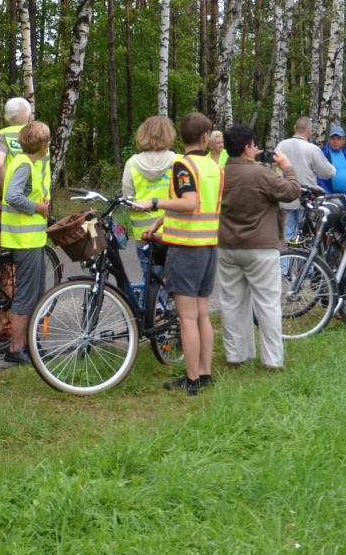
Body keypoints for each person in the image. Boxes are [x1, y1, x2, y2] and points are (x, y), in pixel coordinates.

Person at [139, 113, 223, 396]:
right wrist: (161, 220)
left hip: (186, 250)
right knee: (202, 314)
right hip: (209, 246)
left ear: (181, 138)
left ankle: (192, 380)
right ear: (204, 138)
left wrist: (152, 202)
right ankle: (205, 373)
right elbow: (202, 205)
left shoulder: (182, 166)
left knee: (187, 318)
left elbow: (190, 203)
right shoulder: (215, 168)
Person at [215, 124, 299, 371]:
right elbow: (291, 192)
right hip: (261, 246)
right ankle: (273, 360)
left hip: (227, 245)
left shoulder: (219, 173)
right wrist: (287, 168)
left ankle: (236, 356)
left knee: (231, 303)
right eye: (253, 144)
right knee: (267, 303)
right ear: (247, 147)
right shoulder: (261, 174)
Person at [0, 121, 52, 365]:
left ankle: (31, 346)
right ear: (41, 144)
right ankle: (16, 348)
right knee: (26, 296)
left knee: (36, 294)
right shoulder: (23, 165)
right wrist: (38, 207)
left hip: (32, 238)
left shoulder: (26, 163)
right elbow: (12, 196)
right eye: (47, 140)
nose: (48, 144)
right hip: (25, 239)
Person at [0, 96, 32, 342]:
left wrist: (3, 196)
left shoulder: (3, 135)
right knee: (22, 267)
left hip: (6, 210)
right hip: (32, 208)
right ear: (30, 116)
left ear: (5, 118)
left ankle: (7, 327)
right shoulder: (37, 135)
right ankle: (23, 325)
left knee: (2, 267)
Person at [122, 116, 179, 284]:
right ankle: (166, 308)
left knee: (150, 280)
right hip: (172, 229)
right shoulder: (179, 161)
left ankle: (151, 309)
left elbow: (128, 200)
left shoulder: (132, 164)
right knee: (174, 281)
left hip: (145, 233)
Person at [275, 117, 336, 248]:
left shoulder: (281, 145)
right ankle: (303, 267)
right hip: (306, 201)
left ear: (294, 128)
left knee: (286, 236)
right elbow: (327, 172)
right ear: (309, 131)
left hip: (285, 198)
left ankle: (284, 266)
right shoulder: (312, 149)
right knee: (307, 239)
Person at [318, 125, 346, 206]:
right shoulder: (323, 154)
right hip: (330, 198)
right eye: (333, 138)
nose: (335, 141)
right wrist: (327, 194)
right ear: (329, 139)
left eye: (338, 139)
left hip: (345, 198)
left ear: (343, 140)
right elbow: (319, 178)